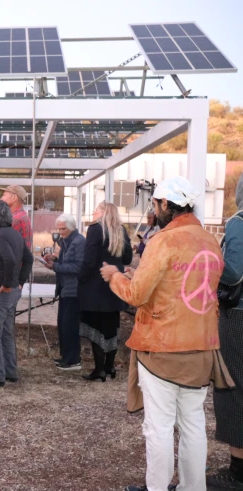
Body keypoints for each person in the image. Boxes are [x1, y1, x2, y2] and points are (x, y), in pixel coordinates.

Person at [100, 177, 232, 491]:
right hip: (202, 349)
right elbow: (188, 284)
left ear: (165, 205)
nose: (154, 209)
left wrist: (116, 276)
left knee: (158, 428)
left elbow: (135, 295)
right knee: (193, 425)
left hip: (162, 348)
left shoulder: (163, 241)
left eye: (156, 203)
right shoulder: (210, 240)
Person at [208, 172, 243, 491]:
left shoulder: (238, 223)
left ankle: (237, 470)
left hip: (237, 317)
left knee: (232, 386)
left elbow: (232, 273)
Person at [0, 200, 33, 387]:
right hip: (10, 293)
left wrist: (9, 284)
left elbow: (9, 260)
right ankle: (10, 371)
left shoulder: (1, 236)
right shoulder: (15, 235)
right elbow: (29, 259)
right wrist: (19, 282)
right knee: (6, 333)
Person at [78, 202, 132, 382]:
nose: (93, 212)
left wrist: (80, 279)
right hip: (115, 285)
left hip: (95, 286)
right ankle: (110, 367)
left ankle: (99, 369)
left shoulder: (95, 229)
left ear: (102, 212)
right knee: (111, 328)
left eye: (95, 209)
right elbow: (127, 258)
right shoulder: (120, 230)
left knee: (95, 328)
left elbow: (89, 260)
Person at [44, 213, 85, 371]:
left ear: (71, 227)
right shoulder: (67, 241)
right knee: (63, 324)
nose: (60, 232)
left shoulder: (78, 242)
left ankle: (72, 359)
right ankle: (66, 356)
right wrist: (55, 259)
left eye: (63, 229)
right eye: (59, 229)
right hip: (65, 288)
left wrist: (55, 266)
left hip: (73, 290)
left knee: (70, 325)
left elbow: (77, 268)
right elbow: (67, 262)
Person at [0, 185, 32, 249]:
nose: (1, 198)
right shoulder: (21, 215)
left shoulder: (15, 219)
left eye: (4, 195)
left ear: (14, 197)